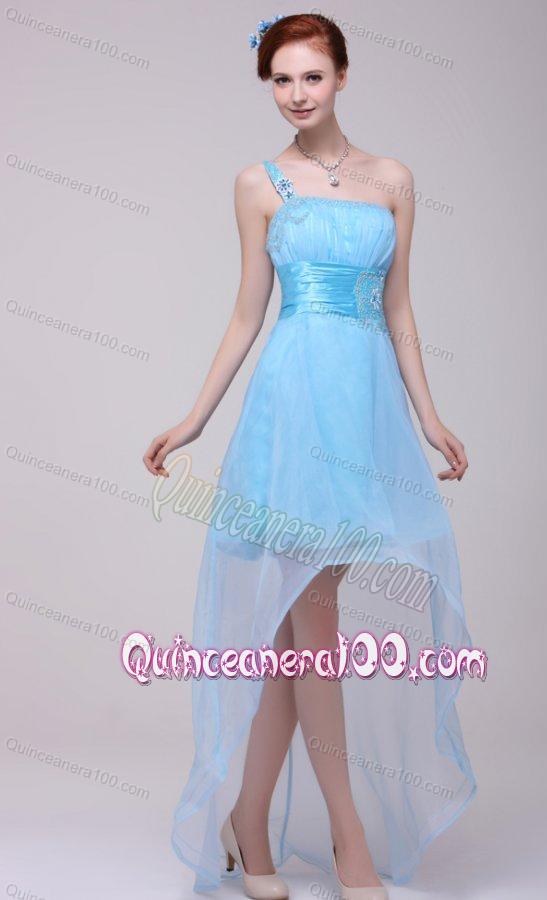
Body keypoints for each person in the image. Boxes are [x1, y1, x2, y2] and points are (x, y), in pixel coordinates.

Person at [143, 12, 476, 900]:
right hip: (290, 417)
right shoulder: (258, 183)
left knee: (298, 638)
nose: (296, 95)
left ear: (342, 77)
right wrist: (195, 420)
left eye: (312, 77)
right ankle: (347, 838)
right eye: (281, 80)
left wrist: (430, 417)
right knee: (313, 626)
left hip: (361, 416)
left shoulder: (393, 179)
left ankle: (250, 823)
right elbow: (246, 313)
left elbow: (399, 310)